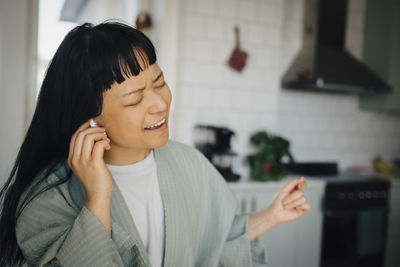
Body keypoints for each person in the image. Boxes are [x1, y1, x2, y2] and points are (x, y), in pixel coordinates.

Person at [0, 21, 311, 267]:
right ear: (89, 119)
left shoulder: (190, 164)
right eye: (135, 98)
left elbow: (219, 238)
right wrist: (97, 198)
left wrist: (272, 214)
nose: (160, 104)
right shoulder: (48, 199)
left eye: (160, 82)